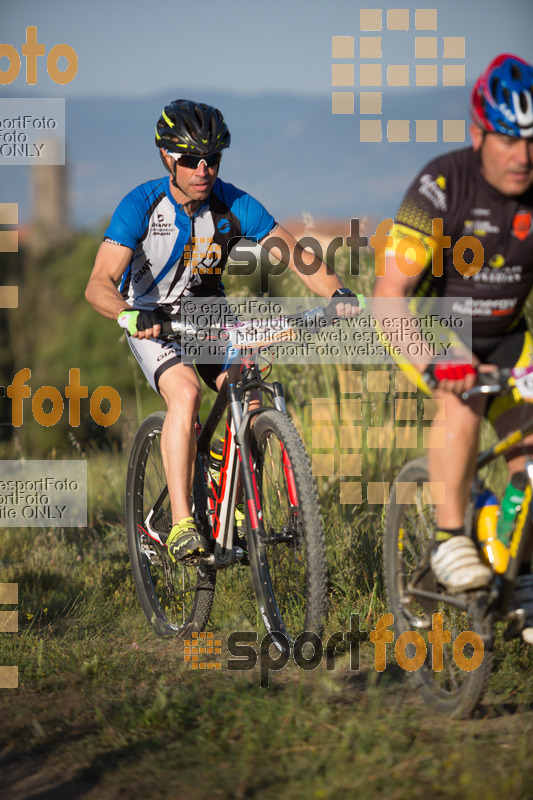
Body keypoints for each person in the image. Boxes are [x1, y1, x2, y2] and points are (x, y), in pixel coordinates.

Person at [86, 98, 359, 562]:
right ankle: (181, 524)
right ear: (166, 158)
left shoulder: (233, 204)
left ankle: (222, 479)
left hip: (207, 317)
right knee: (186, 392)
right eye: (191, 159)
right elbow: (98, 284)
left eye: (212, 159)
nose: (203, 169)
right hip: (152, 320)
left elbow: (294, 254)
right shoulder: (140, 205)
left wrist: (337, 294)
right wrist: (129, 314)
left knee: (250, 393)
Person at [373, 54, 533, 643]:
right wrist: (430, 361)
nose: (523, 156)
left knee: (531, 456)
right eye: (509, 139)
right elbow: (389, 292)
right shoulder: (439, 185)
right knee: (462, 401)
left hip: (511, 336)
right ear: (478, 133)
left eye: (532, 141)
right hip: (443, 331)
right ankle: (447, 539)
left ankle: (520, 575)